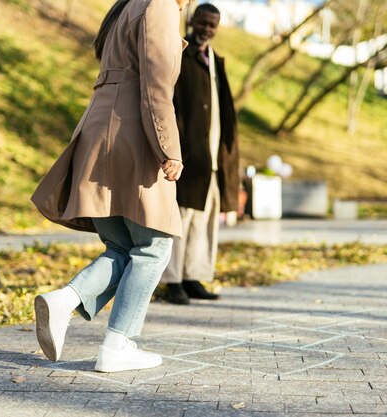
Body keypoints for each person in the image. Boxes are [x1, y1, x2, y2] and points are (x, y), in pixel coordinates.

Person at [30, 0, 190, 373]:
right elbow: (156, 85)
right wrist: (169, 149)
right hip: (132, 134)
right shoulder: (161, 5)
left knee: (122, 245)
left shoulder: (126, 7)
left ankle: (63, 300)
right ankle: (118, 345)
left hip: (99, 130)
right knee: (153, 247)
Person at [161, 3, 240, 305]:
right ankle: (172, 281)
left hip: (213, 156)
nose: (207, 29)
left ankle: (192, 276)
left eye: (213, 25)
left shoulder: (216, 62)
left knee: (203, 220)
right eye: (203, 23)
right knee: (180, 218)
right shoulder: (181, 54)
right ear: (193, 21)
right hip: (189, 154)